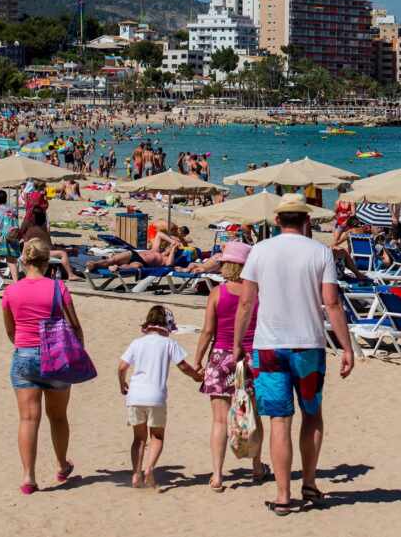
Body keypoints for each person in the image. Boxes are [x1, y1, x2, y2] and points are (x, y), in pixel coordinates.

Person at [232, 194, 354, 516]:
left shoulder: (259, 251)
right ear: (307, 220)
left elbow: (246, 303)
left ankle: (283, 495)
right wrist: (346, 346)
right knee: (311, 414)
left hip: (268, 345)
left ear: (276, 221)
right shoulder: (321, 252)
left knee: (279, 421)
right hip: (308, 345)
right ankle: (310, 483)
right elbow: (332, 303)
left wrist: (236, 345)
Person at [1, 239, 82, 495]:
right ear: (48, 262)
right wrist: (78, 352)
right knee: (57, 416)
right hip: (56, 354)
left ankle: (28, 477)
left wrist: (26, 344)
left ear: (24, 261)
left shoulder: (11, 292)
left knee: (28, 418)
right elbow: (75, 326)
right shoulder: (58, 287)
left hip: (24, 354)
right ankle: (61, 465)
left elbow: (11, 330)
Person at [192, 241, 264, 490]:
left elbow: (207, 331)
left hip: (221, 356)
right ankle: (256, 465)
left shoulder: (217, 293)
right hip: (250, 357)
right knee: (252, 414)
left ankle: (218, 474)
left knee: (219, 420)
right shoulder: (256, 293)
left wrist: (198, 359)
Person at [118, 305, 203, 491]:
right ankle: (149, 469)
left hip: (135, 395)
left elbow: (122, 366)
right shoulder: (169, 344)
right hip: (156, 395)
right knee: (157, 436)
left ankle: (136, 474)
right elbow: (183, 366)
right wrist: (197, 377)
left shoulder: (137, 343)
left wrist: (122, 383)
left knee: (138, 438)